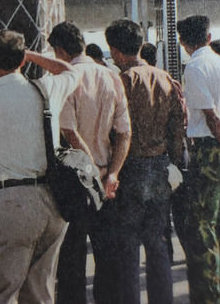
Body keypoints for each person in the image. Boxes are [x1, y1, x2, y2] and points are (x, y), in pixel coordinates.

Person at [0, 29, 78, 304]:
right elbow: (69, 70)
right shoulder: (46, 90)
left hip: (13, 199)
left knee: (2, 292)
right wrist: (28, 55)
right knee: (40, 292)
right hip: (53, 199)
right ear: (22, 61)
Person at [48, 21, 131, 304]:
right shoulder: (111, 76)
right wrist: (112, 173)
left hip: (75, 179)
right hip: (107, 177)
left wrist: (90, 170)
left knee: (71, 259)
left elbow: (69, 131)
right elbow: (124, 133)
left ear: (59, 50)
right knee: (108, 257)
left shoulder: (65, 79)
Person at [105, 19, 187, 304]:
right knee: (158, 244)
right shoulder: (166, 79)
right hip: (160, 167)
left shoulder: (122, 81)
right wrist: (172, 161)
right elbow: (178, 126)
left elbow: (114, 130)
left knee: (127, 247)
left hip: (129, 168)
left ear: (115, 51)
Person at [176, 15, 220, 304]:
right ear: (208, 37)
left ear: (183, 42)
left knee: (201, 232)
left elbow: (212, 119)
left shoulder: (195, 68)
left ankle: (208, 298)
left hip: (209, 152)